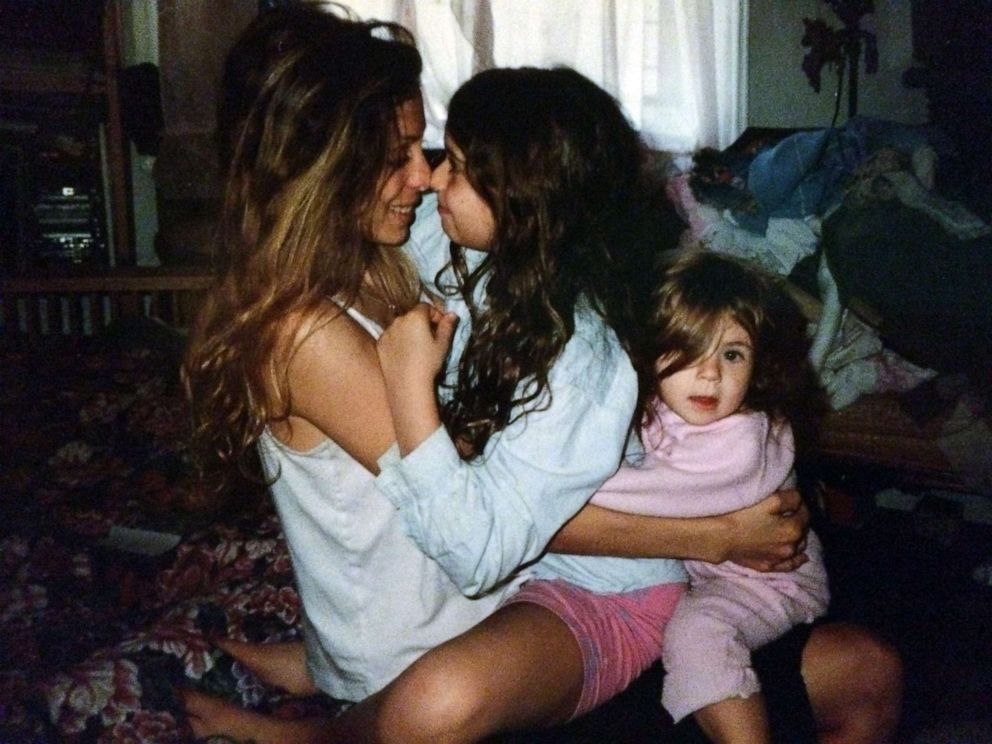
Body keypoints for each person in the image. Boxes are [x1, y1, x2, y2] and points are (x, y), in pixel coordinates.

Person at [181, 5, 902, 743]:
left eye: (430, 152)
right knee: (858, 675)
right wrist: (710, 533)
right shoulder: (309, 332)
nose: (425, 176)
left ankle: (320, 670)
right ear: (323, 166)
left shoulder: (393, 254)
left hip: (514, 605)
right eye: (402, 155)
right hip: (473, 638)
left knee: (868, 666)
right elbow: (486, 521)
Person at [586, 250, 830, 743]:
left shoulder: (741, 442)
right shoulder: (659, 402)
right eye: (691, 348)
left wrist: (562, 484)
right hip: (714, 569)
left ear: (758, 365)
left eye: (732, 354)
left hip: (772, 582)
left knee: (697, 632)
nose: (710, 374)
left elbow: (647, 495)